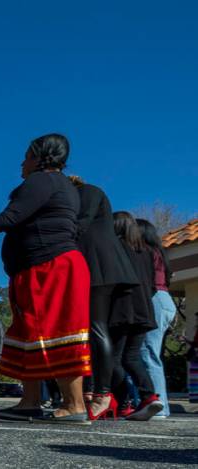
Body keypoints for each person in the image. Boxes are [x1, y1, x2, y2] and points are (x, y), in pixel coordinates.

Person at [0, 133, 91, 425]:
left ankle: (74, 404)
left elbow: (9, 218)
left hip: (51, 267)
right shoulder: (60, 185)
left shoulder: (44, 181)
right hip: (38, 268)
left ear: (41, 158)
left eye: (27, 156)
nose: (21, 162)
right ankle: (29, 402)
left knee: (57, 331)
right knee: (31, 332)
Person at [69, 176, 144, 420]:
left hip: (99, 265)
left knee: (97, 328)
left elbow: (82, 223)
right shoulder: (85, 194)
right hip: (96, 264)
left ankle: (102, 393)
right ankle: (97, 393)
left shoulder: (88, 191)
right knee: (93, 329)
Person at [109, 212, 163, 421]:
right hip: (144, 309)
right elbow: (152, 283)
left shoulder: (116, 248)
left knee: (112, 359)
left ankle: (124, 401)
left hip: (122, 307)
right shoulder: (147, 252)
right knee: (132, 356)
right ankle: (148, 396)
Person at [137, 218, 175, 418]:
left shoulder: (145, 252)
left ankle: (157, 406)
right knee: (151, 353)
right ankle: (162, 407)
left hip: (154, 299)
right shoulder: (159, 252)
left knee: (147, 353)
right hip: (165, 299)